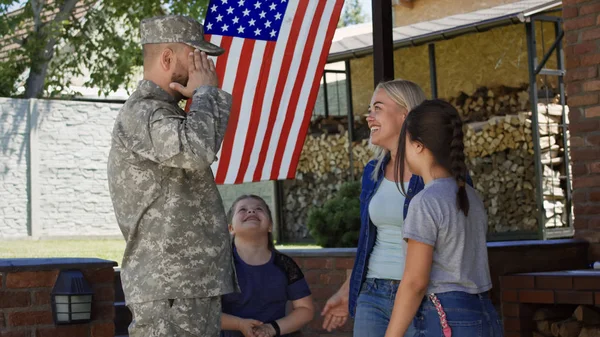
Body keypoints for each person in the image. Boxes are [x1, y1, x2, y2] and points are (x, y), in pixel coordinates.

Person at [107, 15, 236, 337]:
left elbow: (197, 147)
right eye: (195, 57)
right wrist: (206, 93)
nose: (204, 66)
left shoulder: (167, 112)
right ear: (166, 58)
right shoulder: (145, 112)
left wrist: (205, 96)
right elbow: (195, 152)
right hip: (170, 286)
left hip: (185, 284)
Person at [384, 99, 503, 337]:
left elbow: (415, 282)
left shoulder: (425, 202)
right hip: (485, 313)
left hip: (446, 317)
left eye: (404, 142)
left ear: (418, 146)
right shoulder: (470, 196)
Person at [321, 79, 426, 337]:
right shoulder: (372, 171)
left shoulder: (435, 171)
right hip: (372, 294)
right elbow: (369, 241)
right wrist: (347, 291)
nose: (369, 118)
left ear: (405, 114)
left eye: (377, 108)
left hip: (423, 297)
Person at [221, 195, 314, 337]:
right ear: (230, 228)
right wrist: (239, 324)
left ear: (270, 225)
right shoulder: (219, 265)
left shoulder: (285, 265)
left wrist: (272, 328)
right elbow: (204, 310)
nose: (251, 212)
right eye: (243, 209)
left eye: (258, 209)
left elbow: (305, 309)